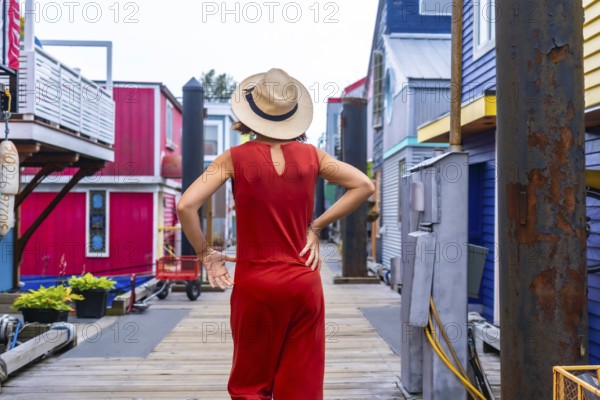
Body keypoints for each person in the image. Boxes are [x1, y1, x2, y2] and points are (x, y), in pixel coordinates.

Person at [177, 68, 375, 400]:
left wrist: (206, 255)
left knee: (250, 387)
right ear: (292, 115)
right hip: (304, 282)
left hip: (256, 286)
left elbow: (186, 206)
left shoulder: (233, 158)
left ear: (251, 114)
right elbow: (364, 185)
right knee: (301, 387)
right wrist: (316, 227)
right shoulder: (313, 156)